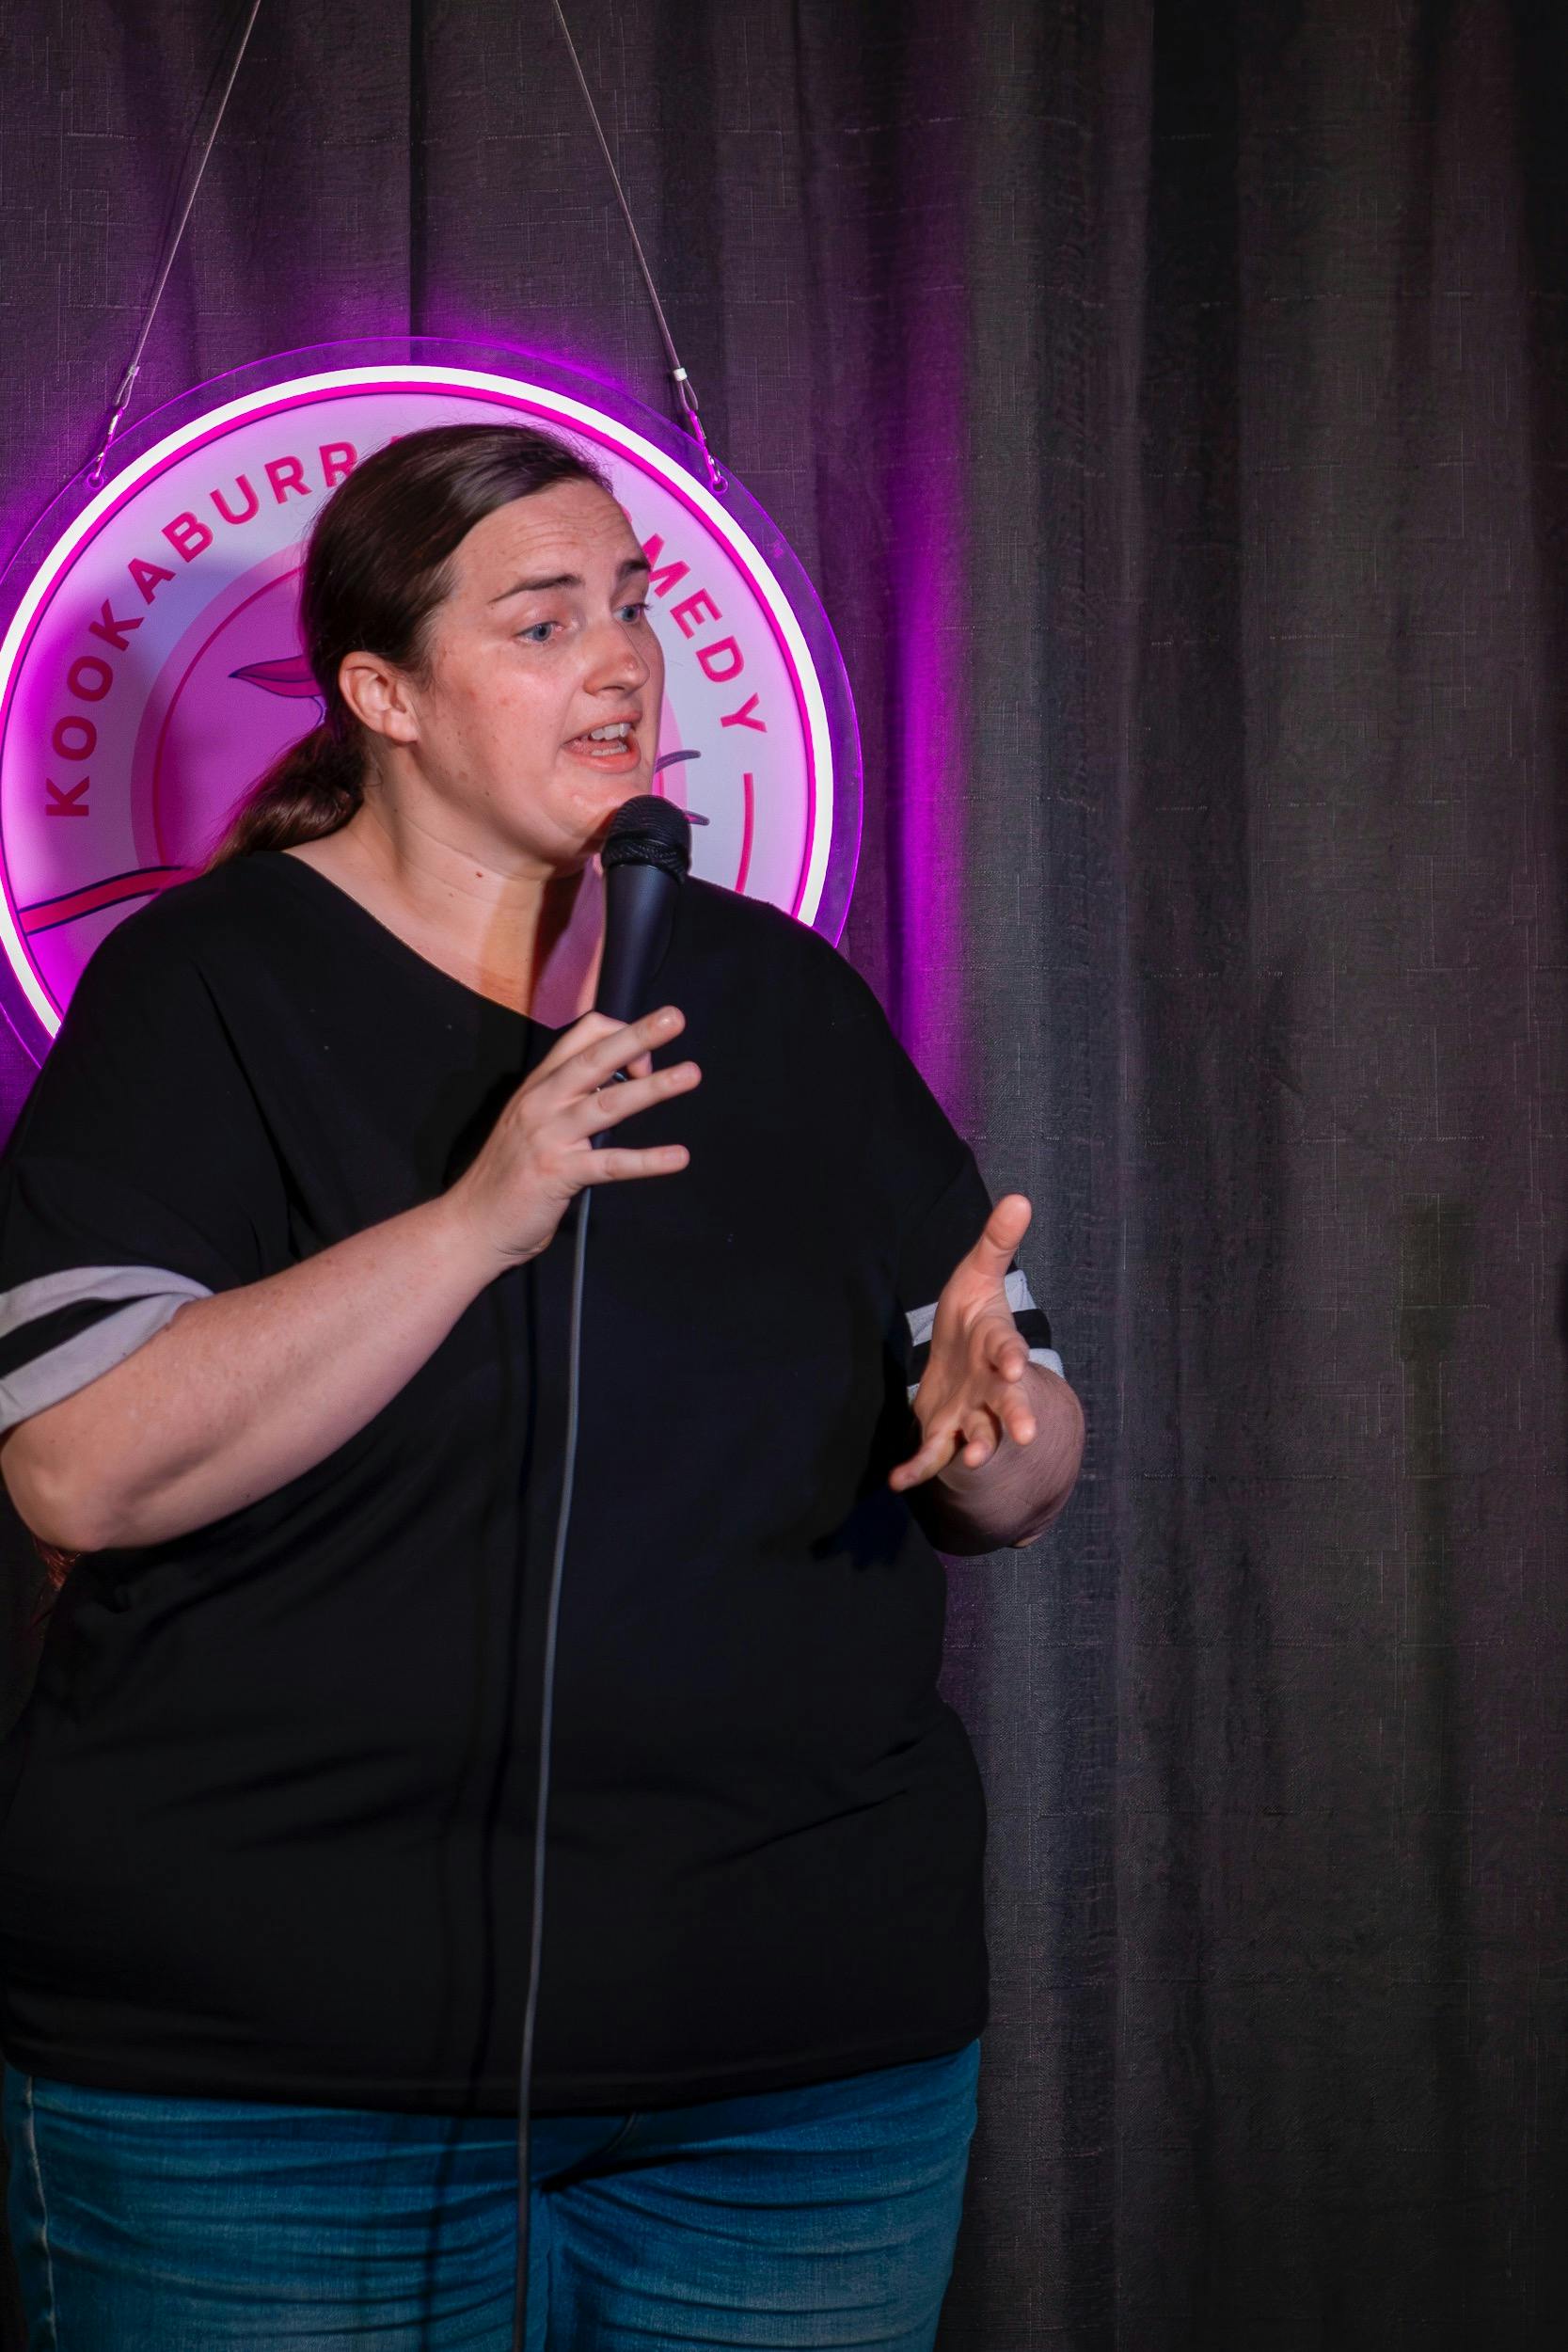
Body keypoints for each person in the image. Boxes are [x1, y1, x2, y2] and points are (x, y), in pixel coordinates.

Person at [0, 423, 1085, 2350]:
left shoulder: (779, 999)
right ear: (382, 694)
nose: (622, 660)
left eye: (637, 608)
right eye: (541, 617)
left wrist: (1011, 1419)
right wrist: (477, 1216)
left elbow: (1004, 1464)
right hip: (273, 2101)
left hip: (793, 2093)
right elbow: (74, 1470)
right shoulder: (207, 990)